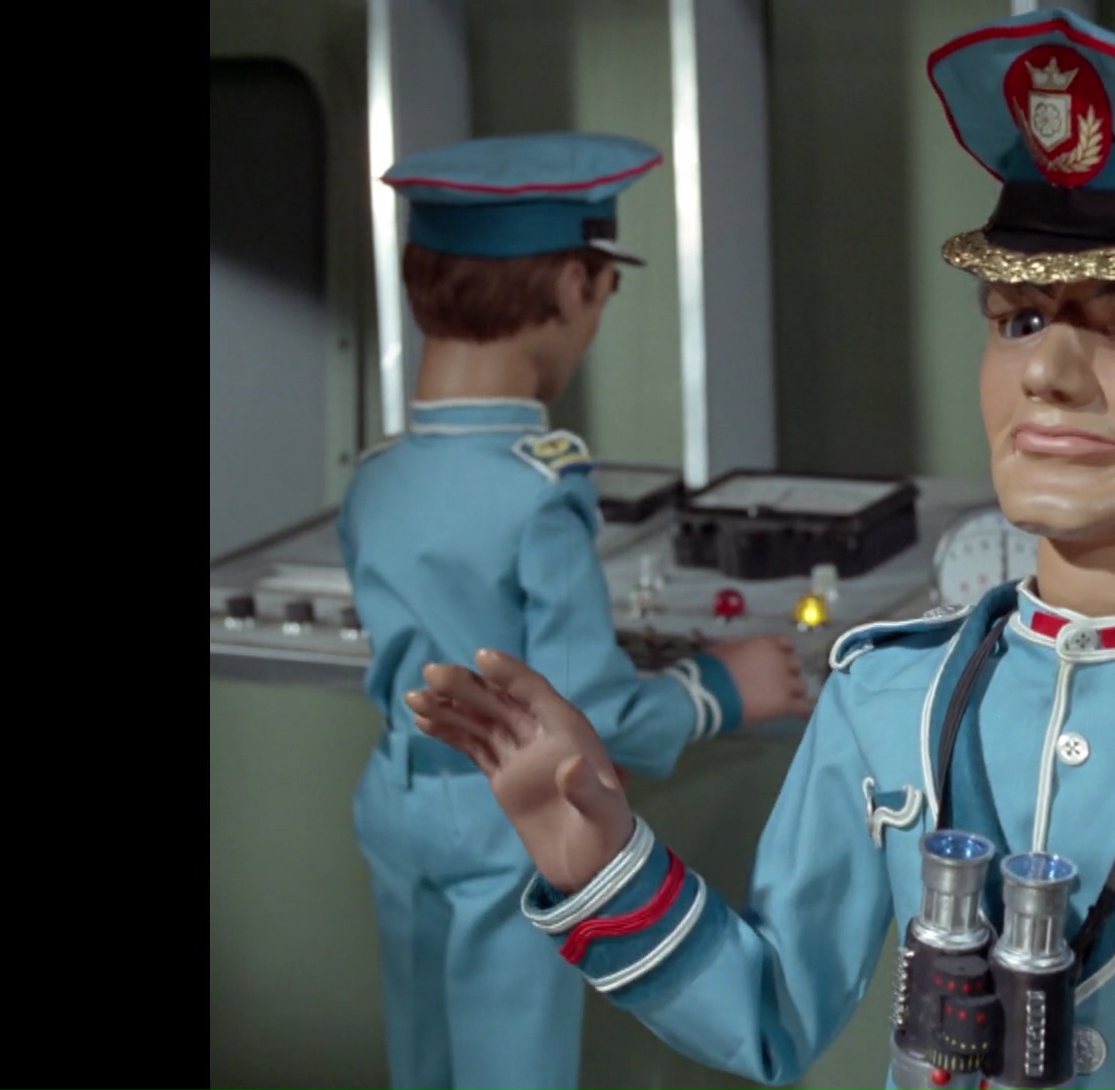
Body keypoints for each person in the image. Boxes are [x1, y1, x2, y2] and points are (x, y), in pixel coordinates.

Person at [406, 11, 1115, 1088]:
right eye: (1019, 320)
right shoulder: (888, 698)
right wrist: (602, 860)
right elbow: (769, 1014)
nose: (1047, 374)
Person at [340, 131, 814, 1090]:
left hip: (397, 798)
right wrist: (721, 687)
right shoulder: (538, 490)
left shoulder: (375, 478)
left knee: (423, 1059)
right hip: (504, 822)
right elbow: (586, 713)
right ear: (570, 286)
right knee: (511, 1067)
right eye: (601, 292)